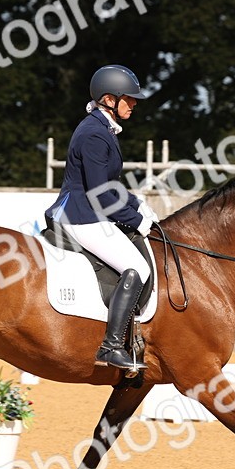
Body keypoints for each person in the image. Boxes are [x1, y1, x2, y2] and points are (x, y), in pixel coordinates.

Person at [44, 64, 159, 370]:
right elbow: (99, 194)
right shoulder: (95, 134)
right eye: (129, 98)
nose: (134, 103)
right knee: (137, 267)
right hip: (82, 216)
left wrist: (137, 203)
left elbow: (109, 185)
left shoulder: (101, 128)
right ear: (109, 99)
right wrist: (137, 222)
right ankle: (110, 346)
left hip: (87, 210)